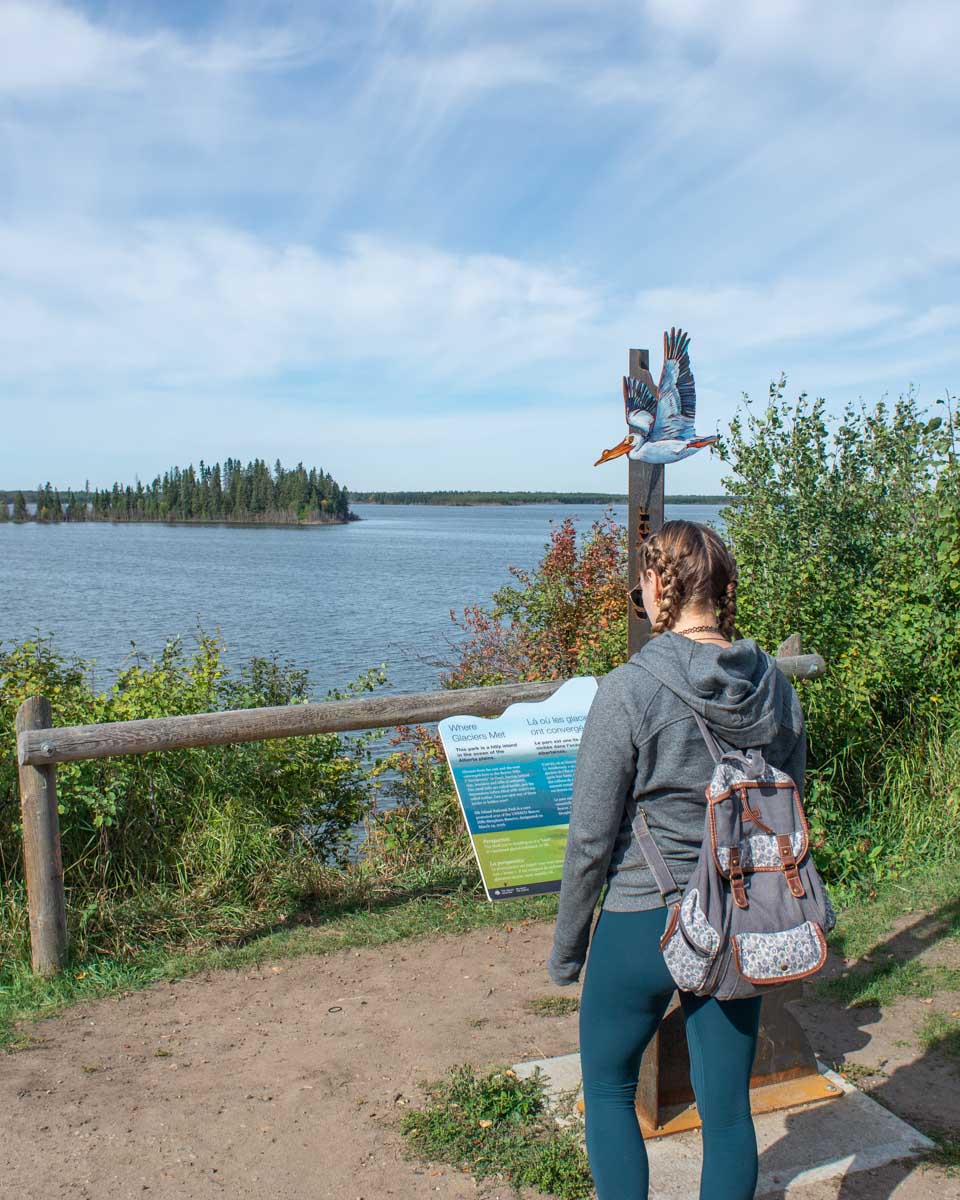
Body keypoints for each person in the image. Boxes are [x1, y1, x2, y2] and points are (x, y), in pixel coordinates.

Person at [547, 519, 806, 1200]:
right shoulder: (777, 689)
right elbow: (790, 807)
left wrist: (570, 949)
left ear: (659, 585)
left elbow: (591, 842)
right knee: (727, 1116)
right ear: (720, 590)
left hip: (644, 920)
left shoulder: (628, 691)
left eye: (642, 583)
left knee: (606, 1086)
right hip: (741, 917)